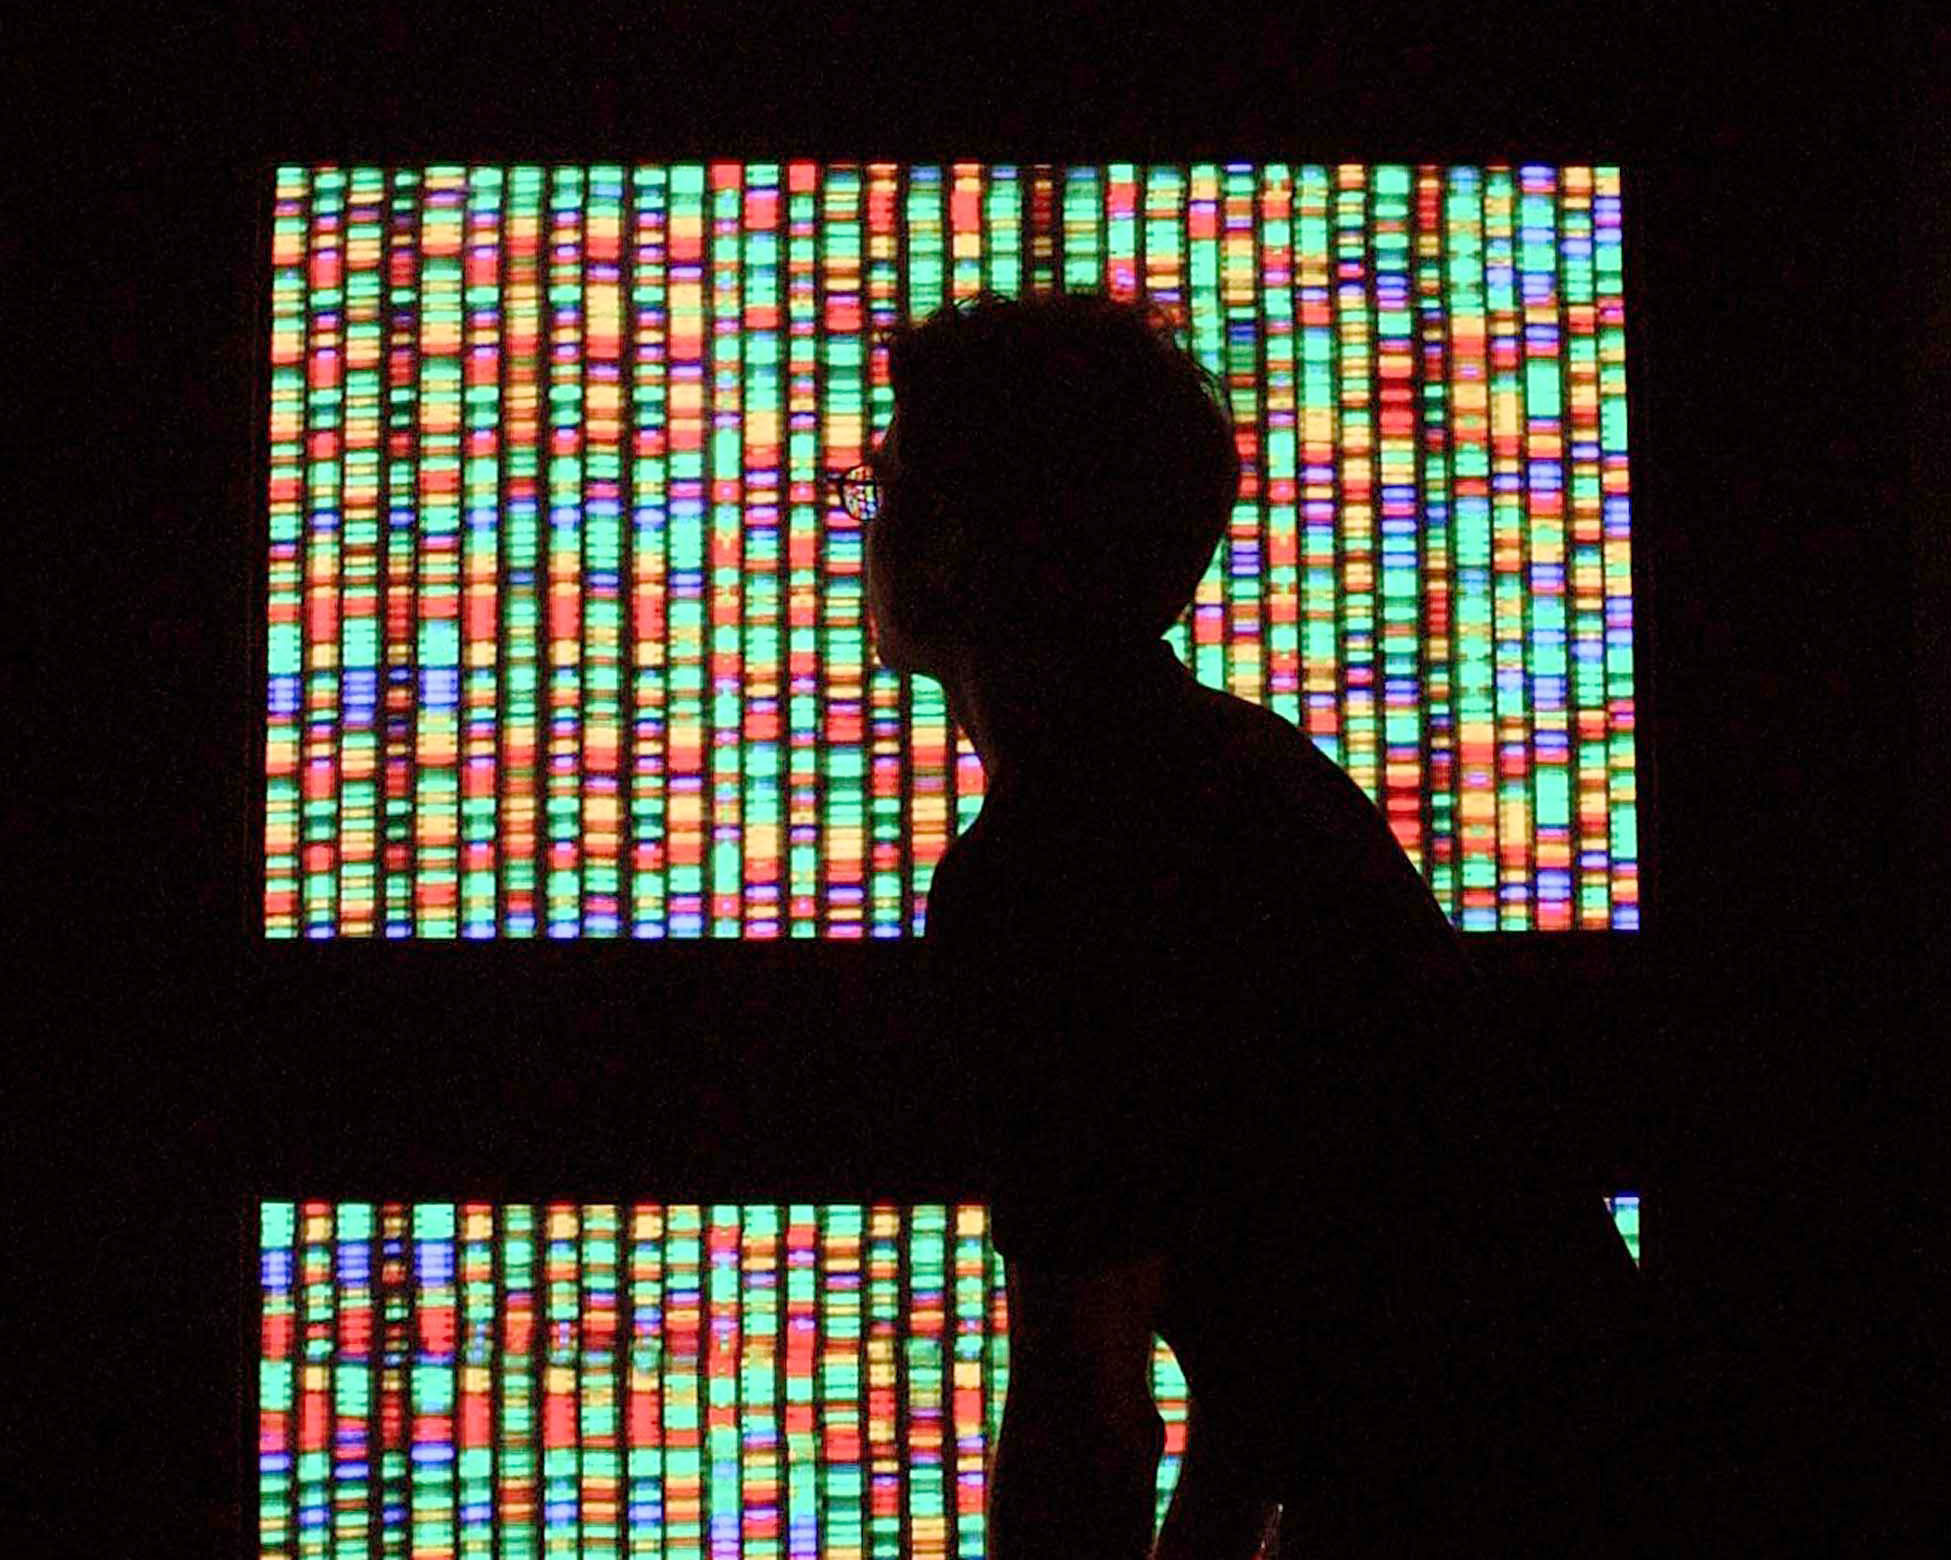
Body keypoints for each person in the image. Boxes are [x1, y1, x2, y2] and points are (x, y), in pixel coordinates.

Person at [857, 289, 1665, 1557]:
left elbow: (1088, 1414)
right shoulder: (1245, 771)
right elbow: (1288, 1327)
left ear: (958, 542)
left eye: (884, 490)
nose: (864, 530)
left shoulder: (1045, 872)